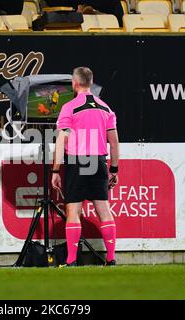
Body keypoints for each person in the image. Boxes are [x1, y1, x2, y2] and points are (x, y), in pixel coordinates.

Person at [52, 67, 119, 267]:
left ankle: (71, 260)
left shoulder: (69, 107)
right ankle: (111, 258)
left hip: (76, 161)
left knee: (73, 211)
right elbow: (114, 142)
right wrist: (114, 169)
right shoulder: (106, 107)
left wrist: (56, 170)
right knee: (104, 211)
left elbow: (62, 140)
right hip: (98, 161)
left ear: (75, 83)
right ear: (90, 82)